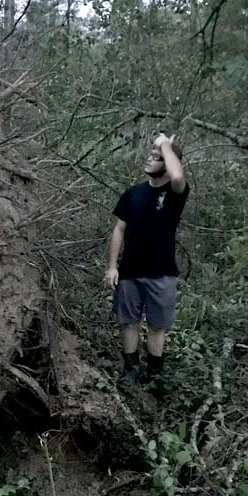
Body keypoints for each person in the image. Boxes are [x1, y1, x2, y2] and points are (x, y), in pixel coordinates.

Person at [105, 134, 189, 389]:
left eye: (156, 158)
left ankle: (155, 374)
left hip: (162, 272)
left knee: (157, 326)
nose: (149, 159)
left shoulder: (175, 193)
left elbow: (176, 176)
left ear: (168, 162)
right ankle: (130, 369)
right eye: (150, 155)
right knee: (127, 322)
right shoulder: (133, 194)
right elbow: (119, 229)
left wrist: (164, 143)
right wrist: (112, 266)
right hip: (130, 271)